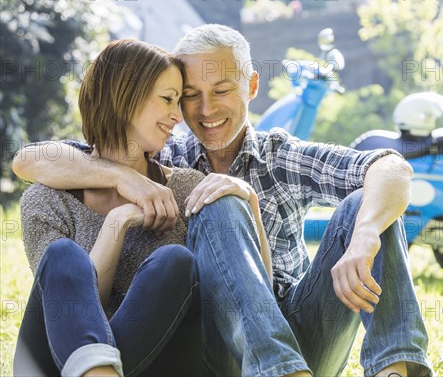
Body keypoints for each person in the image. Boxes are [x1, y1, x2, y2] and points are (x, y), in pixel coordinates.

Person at [13, 24, 433, 377]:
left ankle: (394, 367)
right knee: (213, 198)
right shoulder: (164, 154)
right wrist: (126, 178)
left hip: (307, 332)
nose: (204, 108)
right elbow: (33, 159)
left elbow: (391, 168)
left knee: (370, 205)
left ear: (251, 86)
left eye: (222, 90)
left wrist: (362, 238)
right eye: (187, 94)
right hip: (224, 347)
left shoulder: (280, 155)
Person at [12, 38, 276, 376]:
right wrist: (118, 222)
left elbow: (252, 301)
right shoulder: (46, 198)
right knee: (64, 255)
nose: (178, 116)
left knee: (174, 261)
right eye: (168, 99)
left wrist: (249, 203)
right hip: (55, 362)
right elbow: (72, 313)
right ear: (123, 95)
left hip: (159, 362)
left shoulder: (186, 188)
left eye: (179, 101)